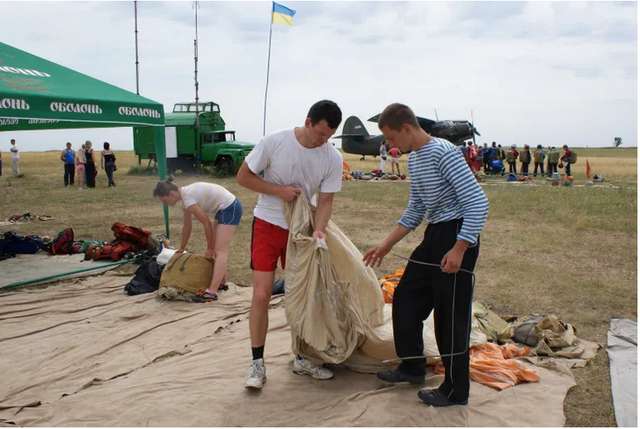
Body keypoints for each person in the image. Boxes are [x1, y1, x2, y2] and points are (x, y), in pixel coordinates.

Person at [363, 103, 488, 407]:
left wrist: (460, 249)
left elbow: (477, 203)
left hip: (457, 235)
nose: (390, 146)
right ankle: (412, 367)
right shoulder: (416, 158)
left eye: (391, 139)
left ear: (406, 128)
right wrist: (386, 244)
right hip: (435, 234)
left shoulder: (443, 152)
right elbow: (416, 208)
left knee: (450, 316)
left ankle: (455, 391)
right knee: (406, 298)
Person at [236, 99, 343, 389]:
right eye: (320, 134)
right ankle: (257, 364)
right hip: (268, 225)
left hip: (301, 232)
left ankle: (303, 357)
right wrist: (277, 191)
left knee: (305, 295)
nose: (323, 141)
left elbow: (327, 199)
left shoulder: (332, 158)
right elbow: (243, 176)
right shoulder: (274, 142)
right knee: (261, 295)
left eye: (329, 136)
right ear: (308, 122)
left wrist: (319, 231)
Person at [153, 180, 243, 300]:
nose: (165, 204)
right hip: (223, 209)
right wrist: (182, 248)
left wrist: (210, 248)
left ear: (171, 194)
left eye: (164, 201)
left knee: (220, 251)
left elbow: (206, 223)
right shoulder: (185, 199)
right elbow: (187, 226)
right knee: (217, 250)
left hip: (230, 207)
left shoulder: (188, 198)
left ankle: (212, 291)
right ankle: (221, 282)